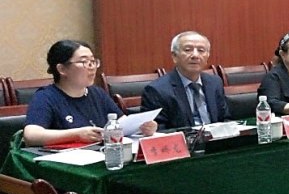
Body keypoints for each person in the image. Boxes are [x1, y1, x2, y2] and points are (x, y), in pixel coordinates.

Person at [24, 40, 157, 146]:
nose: (92, 67)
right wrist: (76, 134)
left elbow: (121, 123)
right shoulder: (45, 97)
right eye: (84, 62)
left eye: (93, 62)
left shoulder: (97, 93)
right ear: (62, 69)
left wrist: (141, 127)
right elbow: (31, 136)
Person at [142, 31, 229, 129]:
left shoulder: (214, 82)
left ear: (207, 56)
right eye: (188, 50)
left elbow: (225, 119)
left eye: (201, 50)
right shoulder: (157, 90)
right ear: (174, 56)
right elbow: (160, 130)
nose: (195, 55)